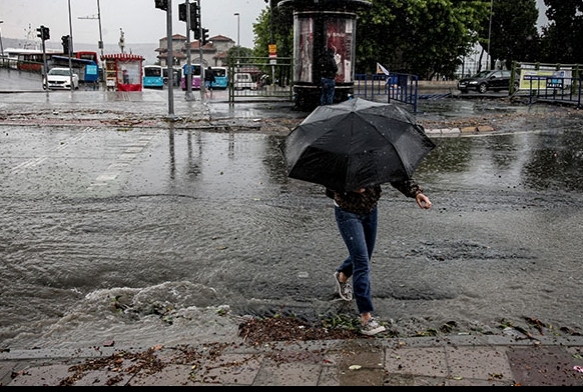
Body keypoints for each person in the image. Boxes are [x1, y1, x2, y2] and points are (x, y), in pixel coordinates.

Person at [327, 180, 432, 336]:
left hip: (370, 209)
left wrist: (416, 192)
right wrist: (348, 187)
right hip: (346, 211)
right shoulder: (337, 158)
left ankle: (342, 275)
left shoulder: (373, 155)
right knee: (362, 263)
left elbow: (394, 173)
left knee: (364, 255)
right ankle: (366, 318)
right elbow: (329, 186)